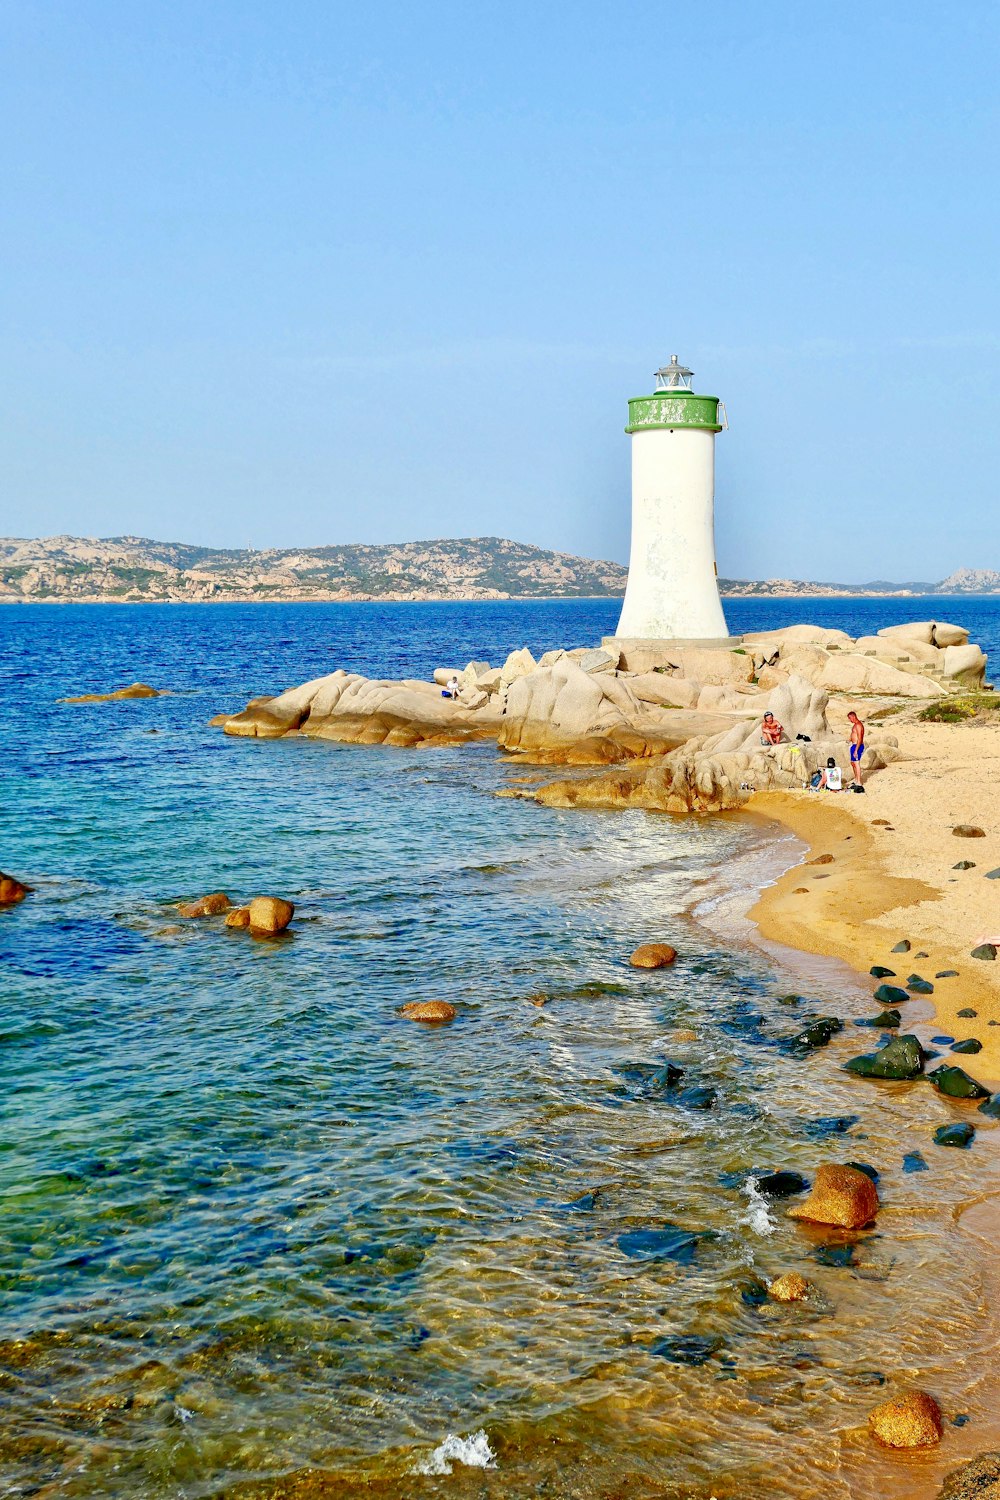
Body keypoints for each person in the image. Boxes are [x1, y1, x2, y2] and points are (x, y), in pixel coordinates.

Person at [847, 710, 865, 785]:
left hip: (857, 746)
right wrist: (849, 739)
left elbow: (860, 738)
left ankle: (859, 782)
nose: (849, 720)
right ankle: (856, 778)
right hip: (853, 745)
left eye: (850, 718)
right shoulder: (855, 725)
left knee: (856, 763)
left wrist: (856, 750)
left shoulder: (858, 725)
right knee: (853, 763)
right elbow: (854, 735)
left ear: (853, 716)